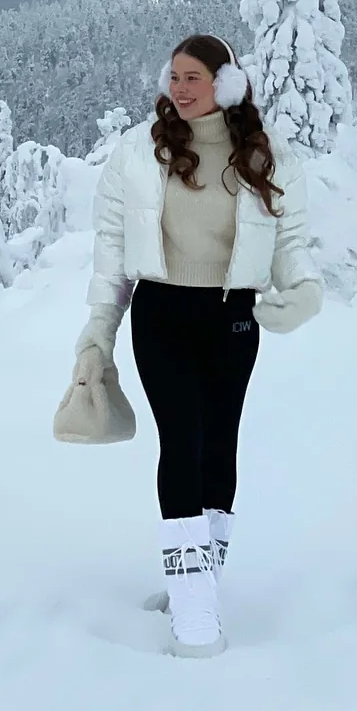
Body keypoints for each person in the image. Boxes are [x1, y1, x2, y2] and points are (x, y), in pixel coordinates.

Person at [74, 33, 323, 656]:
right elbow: (112, 248)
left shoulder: (265, 154)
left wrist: (303, 289)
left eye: (194, 77)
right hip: (161, 314)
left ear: (226, 84)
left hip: (232, 318)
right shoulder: (139, 150)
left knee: (219, 446)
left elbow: (290, 240)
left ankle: (199, 579)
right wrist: (99, 331)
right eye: (175, 76)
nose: (180, 89)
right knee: (181, 444)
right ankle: (192, 610)